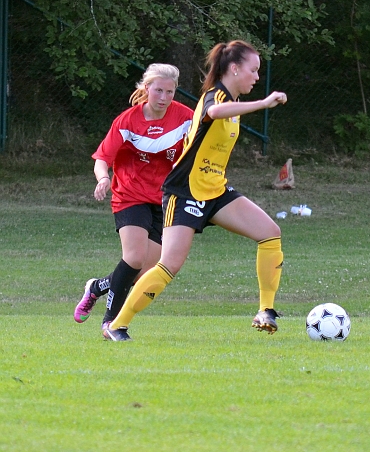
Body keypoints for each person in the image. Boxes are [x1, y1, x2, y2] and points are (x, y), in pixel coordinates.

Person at [106, 40, 288, 341]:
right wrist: (263, 103)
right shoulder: (214, 98)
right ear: (234, 68)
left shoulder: (234, 104)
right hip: (185, 192)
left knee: (270, 233)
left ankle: (265, 311)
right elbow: (214, 112)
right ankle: (116, 326)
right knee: (169, 265)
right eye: (253, 70)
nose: (257, 77)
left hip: (215, 191)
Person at [75, 64, 193, 339]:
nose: (164, 97)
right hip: (130, 195)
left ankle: (97, 288)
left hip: (165, 200)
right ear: (146, 89)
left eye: (170, 91)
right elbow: (102, 158)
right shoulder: (127, 121)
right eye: (158, 90)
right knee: (134, 257)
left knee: (141, 275)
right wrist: (103, 178)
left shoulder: (185, 117)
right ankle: (110, 323)